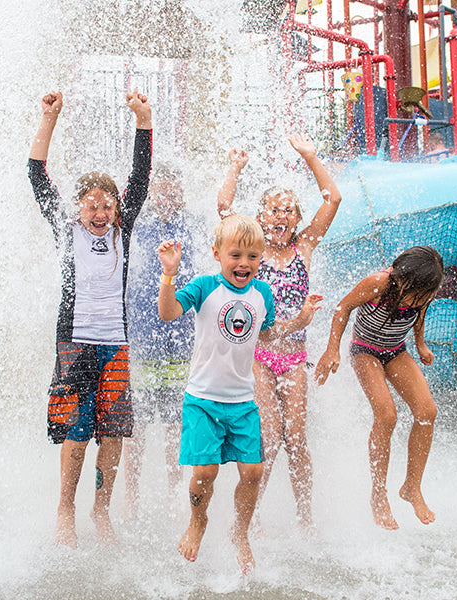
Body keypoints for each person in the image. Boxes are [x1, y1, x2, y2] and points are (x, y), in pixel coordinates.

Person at [156, 214, 322, 573]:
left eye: (251, 256)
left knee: (253, 471)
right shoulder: (203, 287)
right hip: (202, 399)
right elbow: (168, 313)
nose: (243, 263)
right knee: (205, 472)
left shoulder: (262, 293)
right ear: (217, 254)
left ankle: (240, 532)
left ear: (260, 259)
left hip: (242, 402)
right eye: (235, 255)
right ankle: (198, 522)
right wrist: (169, 274)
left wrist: (301, 320)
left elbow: (265, 334)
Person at [28, 89, 152, 547]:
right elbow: (36, 175)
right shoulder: (66, 229)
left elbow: (141, 175)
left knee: (115, 432)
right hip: (75, 344)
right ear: (78, 207)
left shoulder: (124, 227)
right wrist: (49, 120)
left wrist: (144, 119)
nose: (100, 213)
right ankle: (66, 507)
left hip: (115, 345)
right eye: (91, 205)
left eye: (107, 205)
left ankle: (102, 511)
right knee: (77, 434)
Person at [216, 135, 342, 530]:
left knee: (297, 440)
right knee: (269, 439)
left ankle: (307, 521)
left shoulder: (304, 247)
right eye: (275, 210)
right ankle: (249, 521)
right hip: (258, 353)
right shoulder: (252, 248)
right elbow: (224, 209)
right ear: (261, 215)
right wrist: (235, 168)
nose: (283, 217)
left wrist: (310, 156)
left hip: (294, 357)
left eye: (290, 211)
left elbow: (333, 199)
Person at [313, 246, 444, 530]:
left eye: (424, 296)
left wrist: (420, 344)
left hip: (396, 350)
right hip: (365, 351)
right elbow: (343, 307)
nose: (418, 301)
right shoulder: (379, 282)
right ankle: (378, 495)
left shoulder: (423, 292)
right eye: (414, 294)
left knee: (427, 411)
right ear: (401, 280)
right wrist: (331, 349)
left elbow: (419, 313)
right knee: (387, 416)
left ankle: (412, 487)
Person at [122, 164, 203, 519]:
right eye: (162, 192)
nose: (168, 199)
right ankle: (131, 495)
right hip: (142, 339)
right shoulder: (137, 225)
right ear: (152, 193)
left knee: (175, 422)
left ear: (181, 192)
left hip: (181, 339)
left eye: (173, 193)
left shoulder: (192, 227)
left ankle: (174, 492)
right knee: (136, 423)